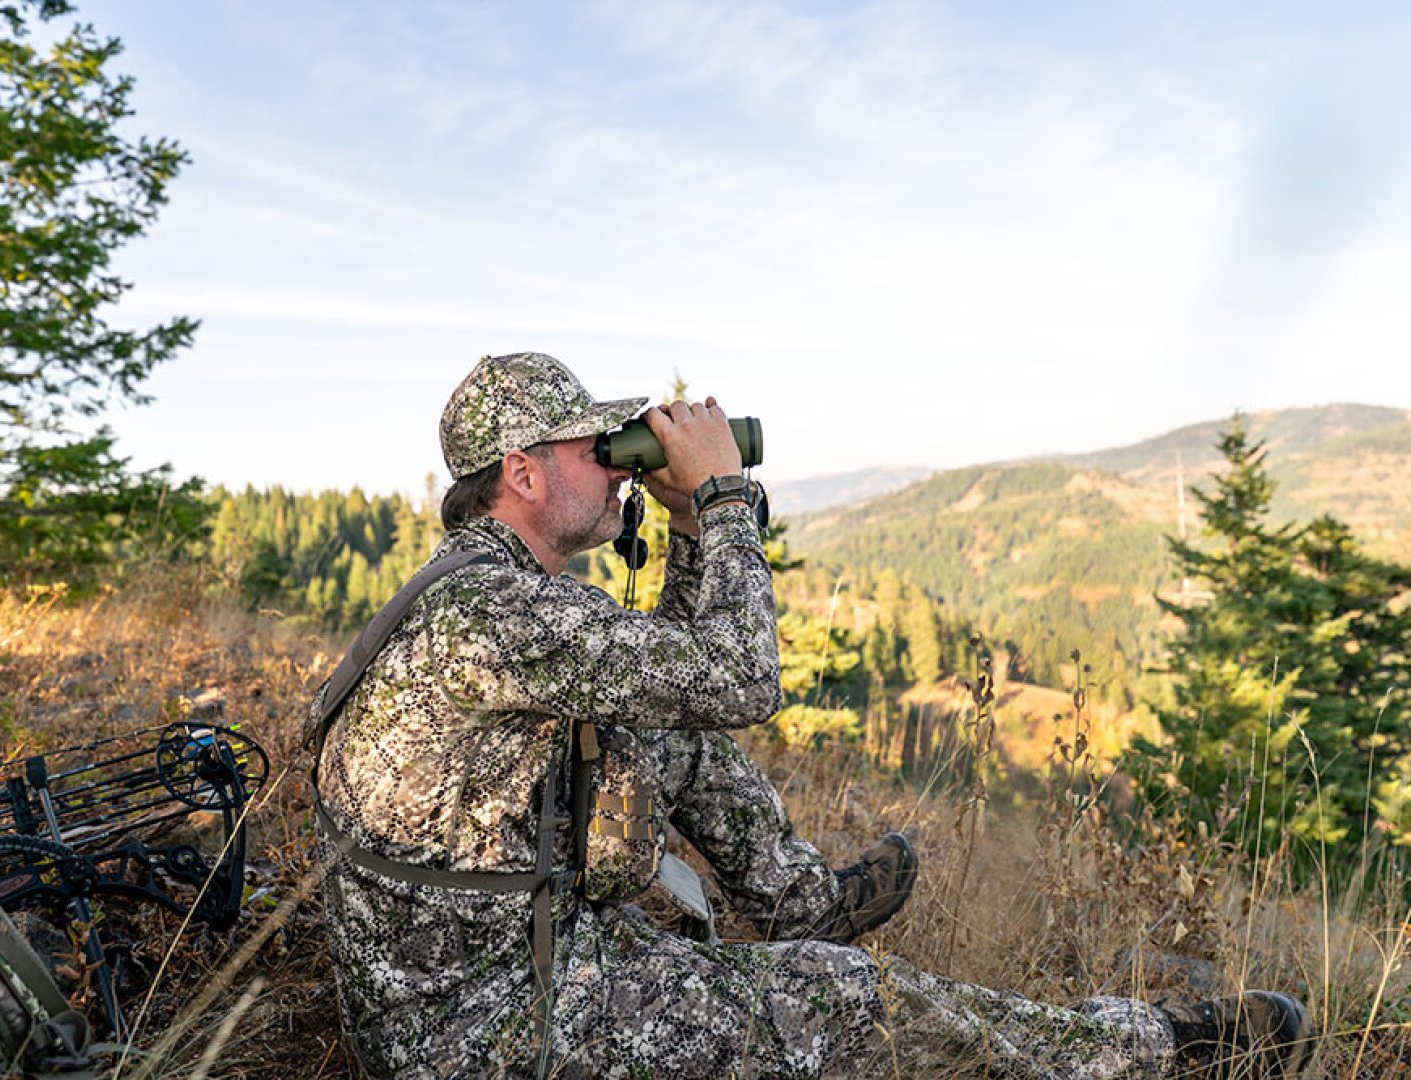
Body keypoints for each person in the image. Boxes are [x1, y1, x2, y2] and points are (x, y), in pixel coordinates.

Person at [309, 352, 1314, 1079]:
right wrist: (730, 497)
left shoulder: (489, 588)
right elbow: (741, 676)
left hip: (496, 967)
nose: (620, 466)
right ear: (523, 474)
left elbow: (680, 687)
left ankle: (799, 905)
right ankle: (1152, 1051)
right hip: (481, 1033)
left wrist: (693, 528)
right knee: (852, 1000)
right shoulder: (500, 609)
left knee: (670, 732)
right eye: (596, 448)